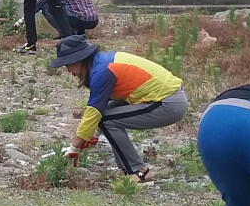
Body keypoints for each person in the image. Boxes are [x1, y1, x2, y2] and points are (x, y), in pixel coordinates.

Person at [49, 34, 185, 183]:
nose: (68, 70)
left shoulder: (102, 71)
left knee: (107, 121)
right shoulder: (102, 62)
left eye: (67, 64)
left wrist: (74, 147)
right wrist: (94, 132)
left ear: (79, 60)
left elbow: (93, 112)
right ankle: (127, 169)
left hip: (167, 102)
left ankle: (140, 172)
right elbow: (102, 109)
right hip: (160, 98)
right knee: (105, 119)